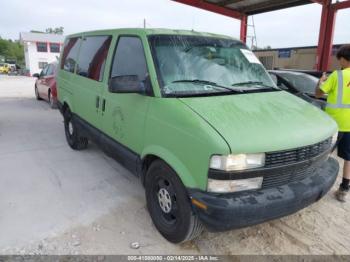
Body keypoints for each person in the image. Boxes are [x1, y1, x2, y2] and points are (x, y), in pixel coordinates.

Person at [316, 45, 350, 202]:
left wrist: (320, 81)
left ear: (343, 58)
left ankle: (316, 186)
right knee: (348, 159)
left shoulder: (337, 76)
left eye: (340, 59)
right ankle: (344, 190)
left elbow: (318, 93)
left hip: (334, 125)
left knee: (324, 155)